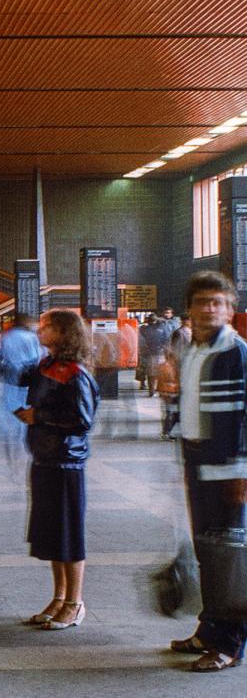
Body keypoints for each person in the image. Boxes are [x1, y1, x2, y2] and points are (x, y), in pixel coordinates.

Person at [168, 271, 247, 671]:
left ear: (230, 309)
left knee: (230, 556)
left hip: (229, 469)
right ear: (190, 307)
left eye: (218, 302)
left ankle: (230, 645)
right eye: (202, 301)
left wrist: (242, 472)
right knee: (208, 552)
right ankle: (209, 629)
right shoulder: (194, 348)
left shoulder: (237, 351)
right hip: (198, 462)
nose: (209, 308)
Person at [15, 310, 99, 630]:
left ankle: (75, 603)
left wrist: (40, 418)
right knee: (53, 535)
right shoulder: (47, 366)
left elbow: (82, 421)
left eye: (46, 326)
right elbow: (20, 378)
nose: (39, 330)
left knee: (69, 535)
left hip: (67, 462)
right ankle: (59, 596)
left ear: (63, 332)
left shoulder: (75, 374)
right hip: (45, 459)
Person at [0, 314, 43, 473]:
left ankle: (10, 450)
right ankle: (21, 449)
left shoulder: (6, 336)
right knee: (24, 414)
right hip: (28, 382)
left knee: (10, 412)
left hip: (10, 380)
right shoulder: (31, 337)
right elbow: (38, 357)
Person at [138, 312, 170, 397]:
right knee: (160, 374)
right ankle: (157, 390)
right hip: (160, 353)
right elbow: (166, 340)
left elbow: (141, 342)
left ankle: (151, 391)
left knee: (151, 374)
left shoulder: (143, 329)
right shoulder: (162, 328)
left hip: (149, 354)